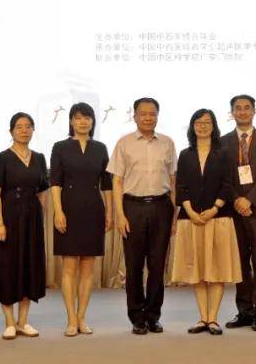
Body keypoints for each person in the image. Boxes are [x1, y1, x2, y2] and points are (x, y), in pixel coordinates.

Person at [109, 97, 177, 335]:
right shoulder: (124, 143)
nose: (148, 118)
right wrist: (120, 214)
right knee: (134, 265)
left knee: (158, 265)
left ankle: (153, 316)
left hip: (161, 207)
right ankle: (137, 316)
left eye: (152, 113)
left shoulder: (167, 143)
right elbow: (117, 181)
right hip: (133, 207)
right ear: (135, 116)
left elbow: (173, 180)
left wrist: (174, 214)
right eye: (143, 114)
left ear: (157, 116)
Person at [172, 109, 242, 335]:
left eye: (207, 122)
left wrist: (214, 208)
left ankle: (213, 319)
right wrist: (189, 210)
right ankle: (202, 318)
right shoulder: (185, 154)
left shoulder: (224, 153)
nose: (202, 126)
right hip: (191, 218)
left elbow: (228, 184)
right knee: (198, 270)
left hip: (218, 217)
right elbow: (181, 185)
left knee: (217, 269)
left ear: (214, 126)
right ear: (192, 126)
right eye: (198, 122)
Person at [49, 102, 112, 337]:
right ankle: (71, 319)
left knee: (87, 268)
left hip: (94, 209)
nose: (83, 122)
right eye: (78, 118)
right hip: (68, 208)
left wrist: (110, 212)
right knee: (69, 267)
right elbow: (55, 182)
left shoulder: (100, 148)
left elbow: (107, 185)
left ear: (93, 122)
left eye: (87, 118)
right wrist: (58, 211)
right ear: (71, 121)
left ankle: (82, 317)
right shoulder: (60, 147)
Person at [0, 112, 49, 339]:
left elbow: (43, 192)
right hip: (9, 218)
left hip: (32, 220)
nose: (24, 130)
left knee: (29, 267)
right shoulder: (1, 158)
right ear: (11, 131)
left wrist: (39, 217)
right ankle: (9, 322)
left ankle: (23, 321)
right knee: (7, 267)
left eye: (28, 126)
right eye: (19, 126)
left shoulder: (39, 158)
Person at [221, 94, 256, 332]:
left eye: (246, 108)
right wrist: (236, 199)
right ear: (232, 112)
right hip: (233, 210)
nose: (242, 112)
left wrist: (249, 200)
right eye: (238, 108)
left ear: (254, 111)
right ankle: (244, 310)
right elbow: (224, 176)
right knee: (240, 261)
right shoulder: (222, 142)